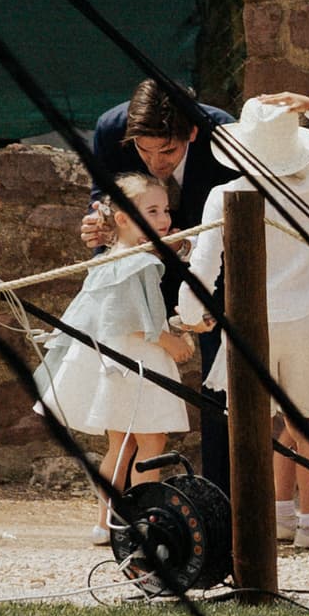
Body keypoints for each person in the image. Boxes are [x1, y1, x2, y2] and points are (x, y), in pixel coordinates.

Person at [182, 89, 309, 551]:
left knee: (250, 424)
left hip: (251, 323)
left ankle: (267, 517)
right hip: (307, 320)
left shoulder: (224, 194)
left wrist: (190, 312)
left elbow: (203, 265)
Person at [82, 78, 237, 489]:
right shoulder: (111, 128)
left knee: (222, 375)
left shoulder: (225, 134)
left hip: (211, 269)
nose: (154, 162)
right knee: (127, 401)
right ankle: (120, 506)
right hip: (136, 273)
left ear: (192, 133)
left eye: (166, 151)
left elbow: (238, 216)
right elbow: (104, 200)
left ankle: (220, 493)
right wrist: (99, 227)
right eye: (143, 149)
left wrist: (187, 246)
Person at [38, 172, 193, 531]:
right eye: (152, 212)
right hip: (137, 361)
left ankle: (105, 523)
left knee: (120, 444)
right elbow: (132, 319)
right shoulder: (141, 262)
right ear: (123, 219)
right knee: (151, 442)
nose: (164, 219)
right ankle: (144, 521)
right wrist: (171, 342)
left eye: (165, 210)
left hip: (116, 361)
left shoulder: (112, 258)